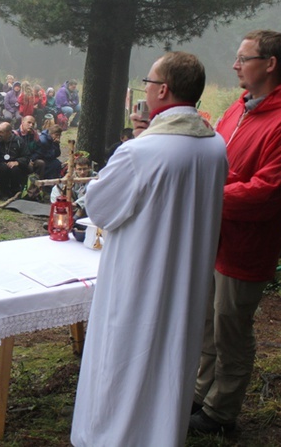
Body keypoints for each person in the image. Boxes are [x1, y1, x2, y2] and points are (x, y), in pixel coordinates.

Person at [71, 51, 228, 447]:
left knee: (123, 360)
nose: (146, 88)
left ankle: (110, 437)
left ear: (162, 90)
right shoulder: (216, 146)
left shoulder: (141, 151)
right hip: (189, 280)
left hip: (138, 279)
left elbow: (100, 206)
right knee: (172, 362)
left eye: (149, 81)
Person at [190, 30, 281, 435]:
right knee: (206, 324)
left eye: (243, 58)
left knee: (231, 329)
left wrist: (208, 195)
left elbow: (269, 192)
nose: (235, 65)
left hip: (246, 246)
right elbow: (214, 158)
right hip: (215, 236)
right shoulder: (237, 109)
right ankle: (199, 394)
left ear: (271, 63)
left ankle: (221, 412)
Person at [0, 122, 29, 198]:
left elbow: (26, 156)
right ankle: (4, 191)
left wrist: (17, 162)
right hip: (1, 164)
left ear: (9, 132)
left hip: (16, 164)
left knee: (15, 169)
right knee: (2, 168)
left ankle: (15, 191)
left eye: (1, 132)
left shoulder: (19, 141)